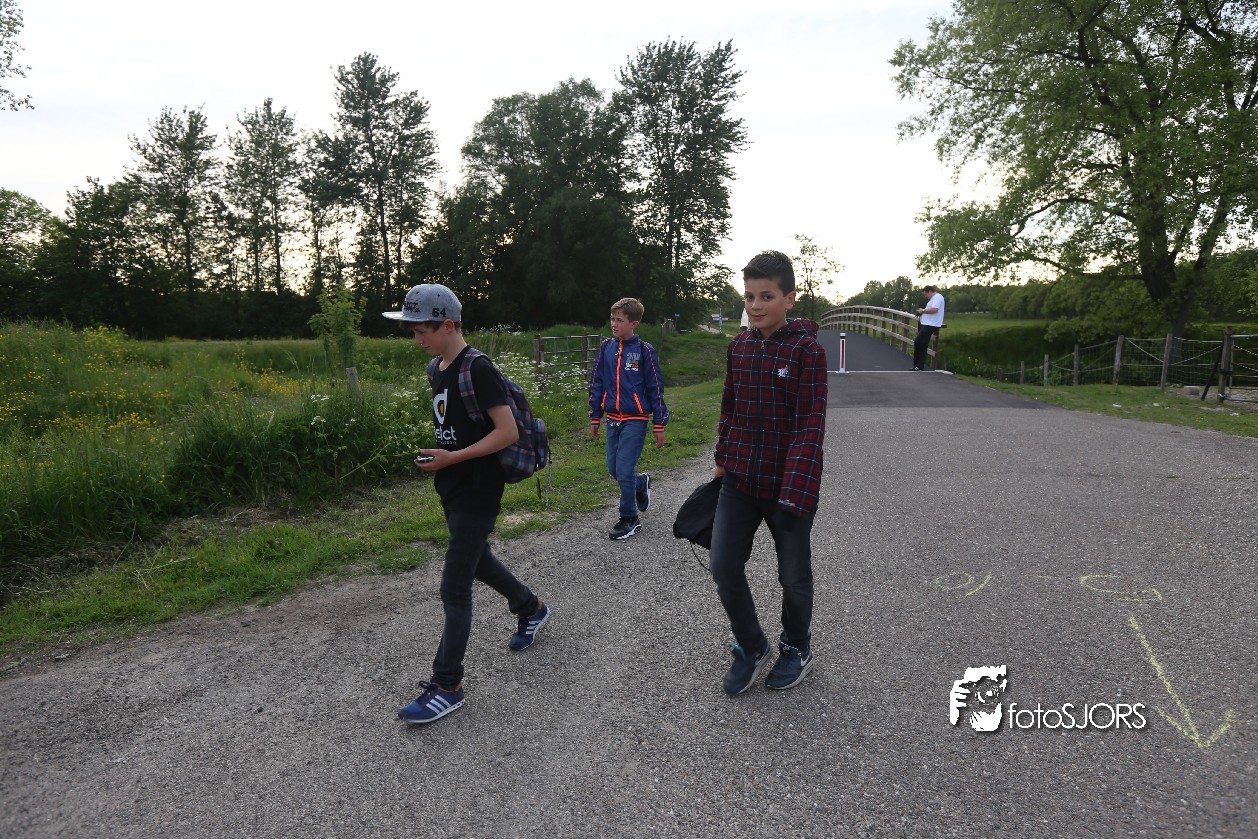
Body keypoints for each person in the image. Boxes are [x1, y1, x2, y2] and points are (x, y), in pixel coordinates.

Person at [383, 284, 550, 725]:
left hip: (479, 487)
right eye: (413, 332)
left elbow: (508, 432)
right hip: (452, 485)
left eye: (422, 331)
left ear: (448, 325)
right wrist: (443, 460)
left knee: (454, 587)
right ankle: (531, 608)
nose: (417, 340)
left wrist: (453, 458)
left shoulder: (478, 369)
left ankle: (448, 686)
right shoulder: (437, 367)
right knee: (478, 561)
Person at [711, 250, 828, 696]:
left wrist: (795, 493)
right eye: (749, 297)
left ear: (789, 298)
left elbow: (810, 427)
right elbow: (729, 407)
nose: (756, 306)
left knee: (792, 576)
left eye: (766, 296)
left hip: (788, 484)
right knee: (723, 564)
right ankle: (752, 645)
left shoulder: (807, 352)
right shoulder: (739, 347)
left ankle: (796, 647)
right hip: (740, 479)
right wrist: (723, 458)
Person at [588, 297, 669, 540]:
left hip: (636, 419)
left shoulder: (644, 351)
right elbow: (597, 382)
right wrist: (595, 416)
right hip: (612, 419)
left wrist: (659, 423)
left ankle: (629, 518)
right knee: (614, 469)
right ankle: (640, 483)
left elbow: (655, 387)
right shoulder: (606, 347)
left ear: (633, 323)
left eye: (619, 320)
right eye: (612, 319)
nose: (614, 324)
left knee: (624, 470)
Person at [912, 284, 946, 370]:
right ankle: (918, 366)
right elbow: (931, 309)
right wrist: (921, 312)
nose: (925, 296)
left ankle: (918, 365)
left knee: (918, 342)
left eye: (925, 294)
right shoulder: (933, 299)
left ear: (930, 291)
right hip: (926, 323)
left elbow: (934, 310)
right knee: (923, 344)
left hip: (930, 325)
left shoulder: (938, 297)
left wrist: (922, 310)